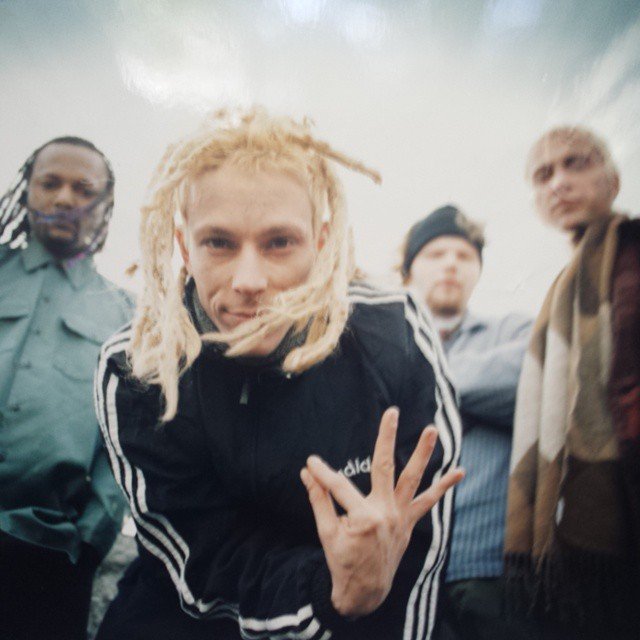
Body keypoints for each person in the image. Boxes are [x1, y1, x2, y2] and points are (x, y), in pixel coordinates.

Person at [94, 109, 464, 640]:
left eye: (279, 243)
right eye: (219, 242)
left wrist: (364, 587)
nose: (249, 280)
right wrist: (330, 591)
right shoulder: (139, 367)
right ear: (184, 247)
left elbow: (418, 556)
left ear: (322, 241)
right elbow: (203, 555)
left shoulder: (395, 336)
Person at [505, 126, 640, 639]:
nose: (558, 182)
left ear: (613, 179)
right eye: (543, 175)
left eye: (575, 163)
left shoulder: (631, 253)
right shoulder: (563, 290)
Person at [0, 137, 133, 640]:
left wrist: (87, 542)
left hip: (47, 555)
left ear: (105, 205)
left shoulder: (126, 315)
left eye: (83, 188)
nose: (63, 198)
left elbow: (126, 440)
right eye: (50, 183)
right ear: (27, 190)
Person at [399, 205, 533, 639]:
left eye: (464, 255)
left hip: (491, 572)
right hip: (403, 577)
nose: (451, 264)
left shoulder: (513, 330)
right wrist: (473, 398)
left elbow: (535, 375)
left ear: (478, 271)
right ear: (409, 269)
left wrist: (416, 386)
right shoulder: (387, 341)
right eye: (436, 254)